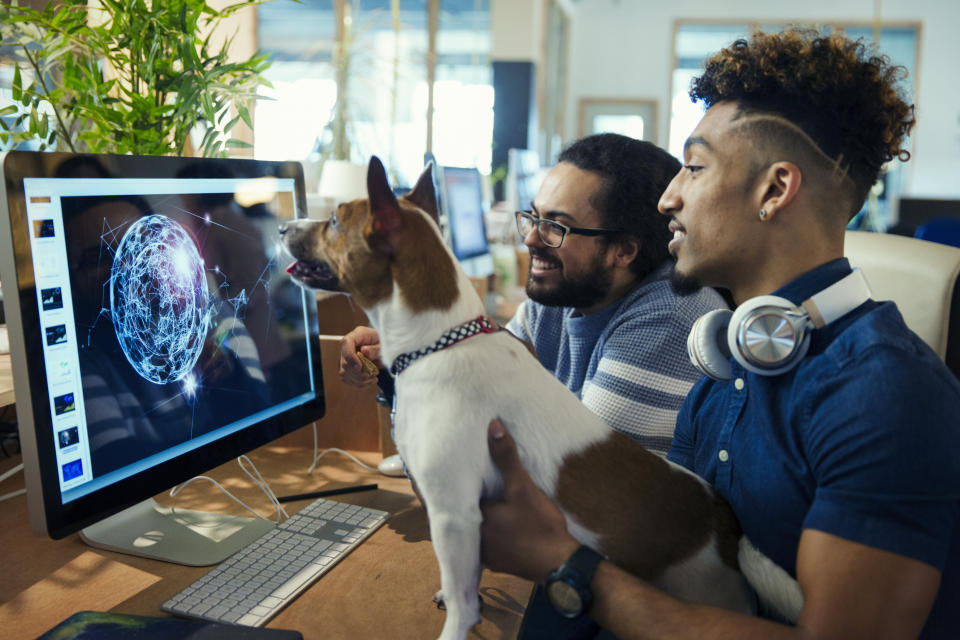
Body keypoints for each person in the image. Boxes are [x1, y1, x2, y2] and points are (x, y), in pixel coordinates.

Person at [479, 28, 960, 639]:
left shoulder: (886, 394)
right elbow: (668, 556)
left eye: (694, 167)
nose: (667, 198)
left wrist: (561, 563)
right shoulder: (726, 367)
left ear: (775, 190)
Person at [340, 133, 727, 456]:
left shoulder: (670, 317)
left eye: (556, 227)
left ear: (624, 250)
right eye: (534, 216)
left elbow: (568, 475)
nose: (530, 238)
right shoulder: (558, 299)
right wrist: (397, 364)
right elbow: (475, 412)